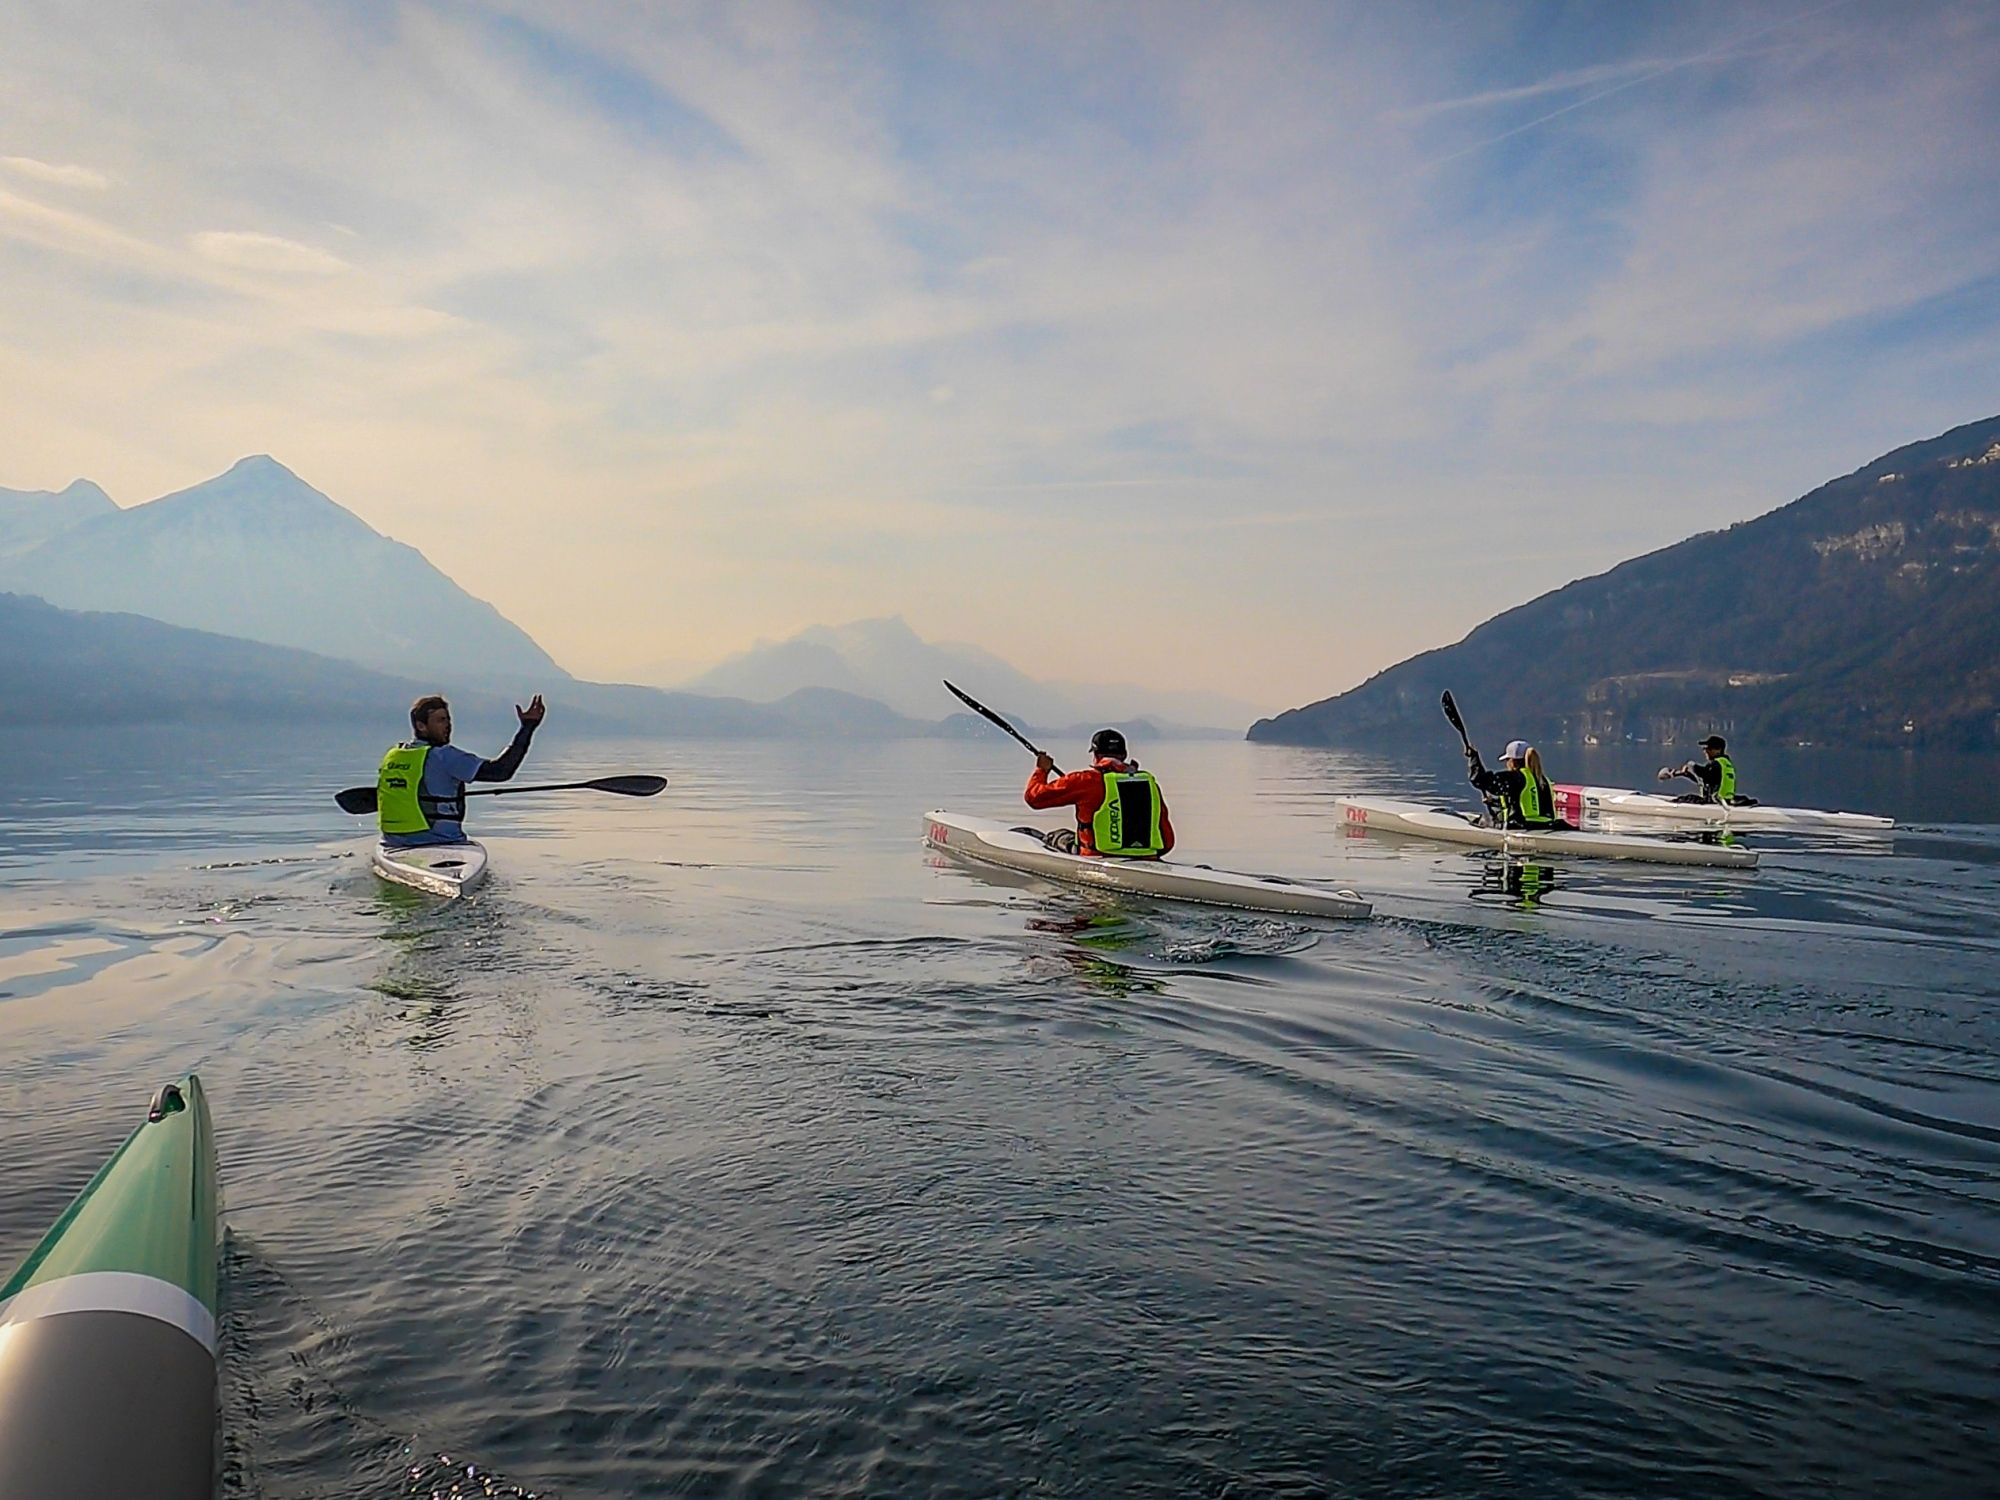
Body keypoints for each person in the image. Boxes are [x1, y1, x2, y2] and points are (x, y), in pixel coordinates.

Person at [378, 693, 546, 847]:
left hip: (393, 842)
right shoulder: (445, 756)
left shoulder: (393, 755)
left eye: (448, 720)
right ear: (421, 726)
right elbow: (500, 772)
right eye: (441, 720)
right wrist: (528, 727)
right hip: (442, 841)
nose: (448, 725)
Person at [1023, 728, 1175, 858]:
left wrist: (1042, 770)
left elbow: (1033, 798)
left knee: (1058, 836)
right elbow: (1167, 842)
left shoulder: (1085, 780)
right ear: (1124, 755)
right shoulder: (1149, 783)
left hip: (1096, 857)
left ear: (1096, 755)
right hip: (1147, 857)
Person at [1465, 739, 1569, 830]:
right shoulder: (1542, 779)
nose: (1506, 764)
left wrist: (1474, 758)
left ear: (1513, 761)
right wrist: (1494, 802)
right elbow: (1526, 802)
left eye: (1507, 760)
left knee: (1485, 820)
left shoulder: (1515, 777)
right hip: (1548, 825)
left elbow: (1479, 780)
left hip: (1524, 826)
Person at [1659, 735, 1752, 805]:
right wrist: (1684, 774)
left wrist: (1690, 765)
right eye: (1704, 748)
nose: (1705, 751)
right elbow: (1707, 780)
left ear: (1718, 750)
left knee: (1684, 799)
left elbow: (1704, 774)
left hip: (1714, 802)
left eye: (1708, 748)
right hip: (1724, 800)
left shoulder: (1716, 764)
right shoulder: (1726, 763)